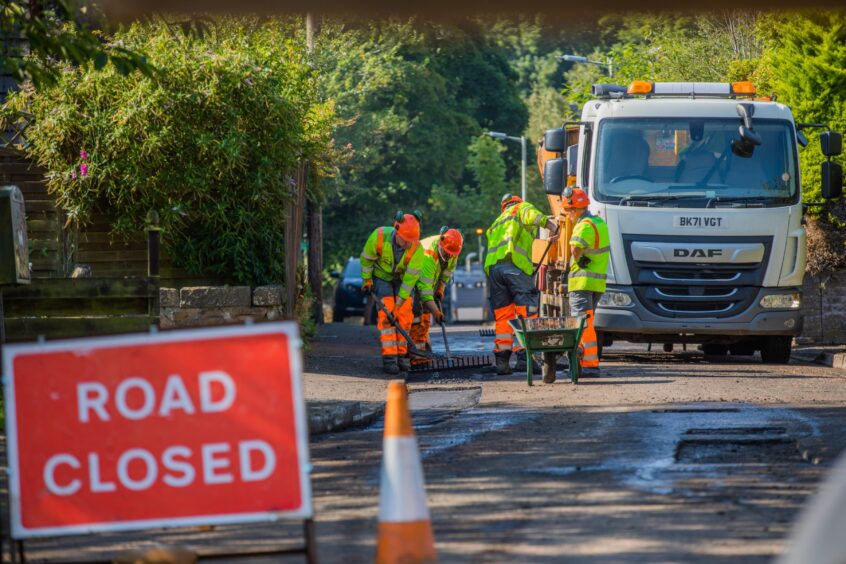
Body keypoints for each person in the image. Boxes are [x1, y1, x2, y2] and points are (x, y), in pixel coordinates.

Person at [485, 194, 560, 375]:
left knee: (504, 315)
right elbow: (534, 216)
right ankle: (527, 358)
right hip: (515, 268)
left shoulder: (496, 222)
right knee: (527, 312)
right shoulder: (520, 208)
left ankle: (502, 362)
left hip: (495, 272)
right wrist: (553, 227)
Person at [360, 211, 424, 374]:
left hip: (402, 280)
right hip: (382, 277)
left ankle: (401, 357)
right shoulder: (379, 236)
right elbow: (366, 259)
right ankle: (390, 359)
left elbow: (409, 282)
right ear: (397, 231)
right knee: (387, 316)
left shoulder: (417, 248)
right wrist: (367, 280)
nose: (408, 244)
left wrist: (399, 305)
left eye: (411, 241)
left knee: (403, 315)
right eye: (405, 240)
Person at [562, 187, 610, 376]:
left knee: (582, 324)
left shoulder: (584, 225)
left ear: (574, 209)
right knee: (588, 322)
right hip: (597, 283)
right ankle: (586, 362)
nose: (568, 215)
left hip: (582, 283)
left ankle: (589, 365)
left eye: (568, 211)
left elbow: (575, 248)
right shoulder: (600, 222)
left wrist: (579, 259)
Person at [410, 227, 463, 353]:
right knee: (417, 315)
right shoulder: (427, 255)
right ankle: (415, 352)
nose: (449, 256)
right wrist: (437, 312)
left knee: (426, 315)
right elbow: (425, 290)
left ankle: (423, 346)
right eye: (447, 253)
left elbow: (447, 273)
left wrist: (440, 289)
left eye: (452, 254)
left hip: (428, 282)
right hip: (412, 281)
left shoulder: (453, 250)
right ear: (440, 244)